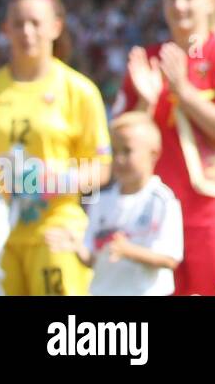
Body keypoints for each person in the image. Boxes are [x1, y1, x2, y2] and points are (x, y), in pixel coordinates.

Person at [115, 0, 215, 295]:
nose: (179, 5)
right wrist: (144, 105)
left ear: (211, 1)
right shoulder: (146, 61)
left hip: (214, 217)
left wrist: (184, 92)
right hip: (153, 222)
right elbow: (118, 146)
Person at [0, 0, 112, 295]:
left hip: (56, 229)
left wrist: (57, 181)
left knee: (62, 337)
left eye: (35, 22)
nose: (27, 31)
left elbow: (101, 169)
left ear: (55, 27)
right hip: (2, 234)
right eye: (18, 23)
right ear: (5, 29)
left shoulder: (79, 91)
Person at [45, 111, 183, 296]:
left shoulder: (162, 201)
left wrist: (129, 251)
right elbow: (95, 260)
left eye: (127, 151)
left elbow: (170, 259)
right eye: (114, 151)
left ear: (153, 154)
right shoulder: (101, 200)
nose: (118, 159)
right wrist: (78, 247)